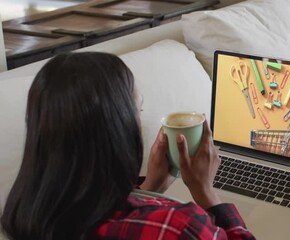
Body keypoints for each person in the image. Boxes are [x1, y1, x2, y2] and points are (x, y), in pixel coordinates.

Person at [0, 52, 255, 240]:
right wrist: (206, 192)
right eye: (137, 108)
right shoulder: (178, 226)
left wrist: (148, 188)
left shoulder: (23, 218)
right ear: (117, 129)